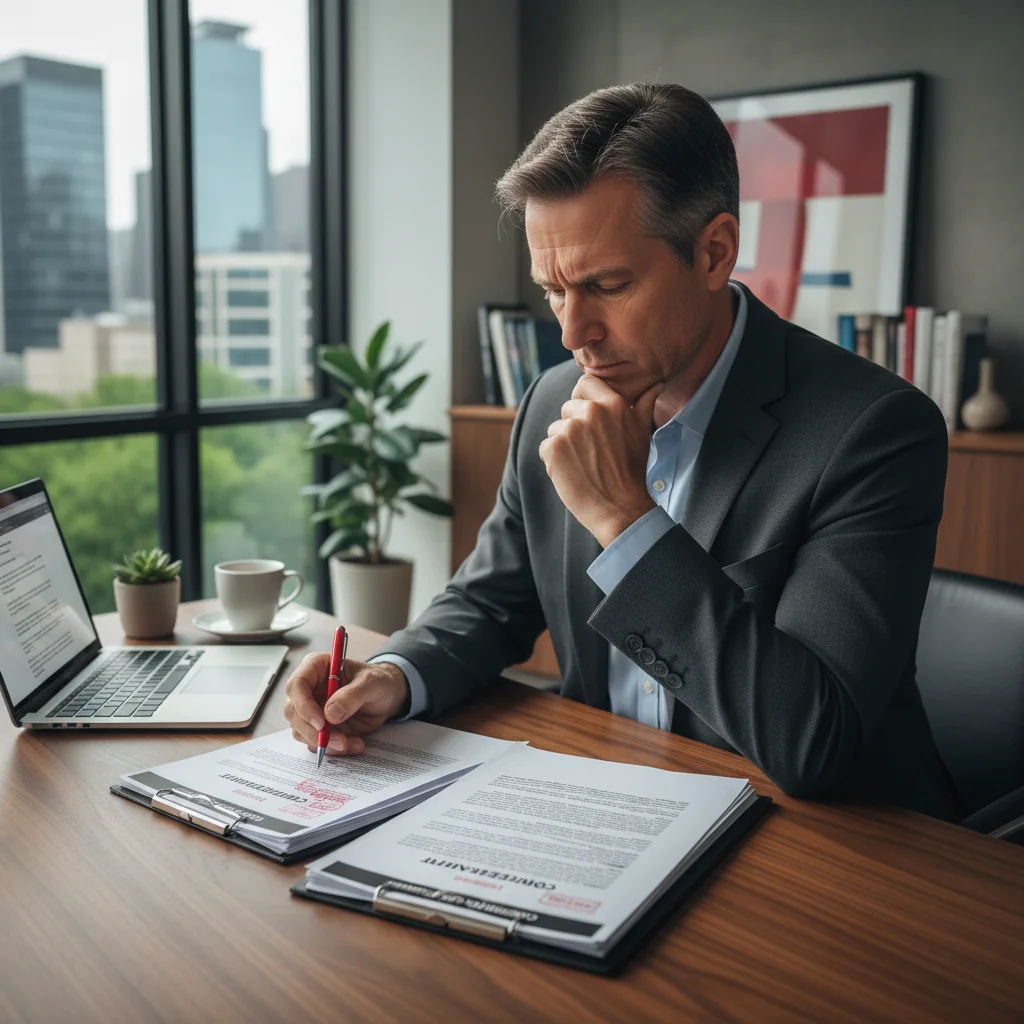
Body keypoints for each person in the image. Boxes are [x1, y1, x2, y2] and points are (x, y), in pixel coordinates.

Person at [284, 82, 961, 821]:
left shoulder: (873, 430)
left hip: (836, 848)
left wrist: (624, 519)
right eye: (554, 291)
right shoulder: (552, 400)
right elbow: (488, 602)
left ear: (714, 252)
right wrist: (391, 674)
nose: (574, 334)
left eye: (606, 285)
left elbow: (811, 740)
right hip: (608, 809)